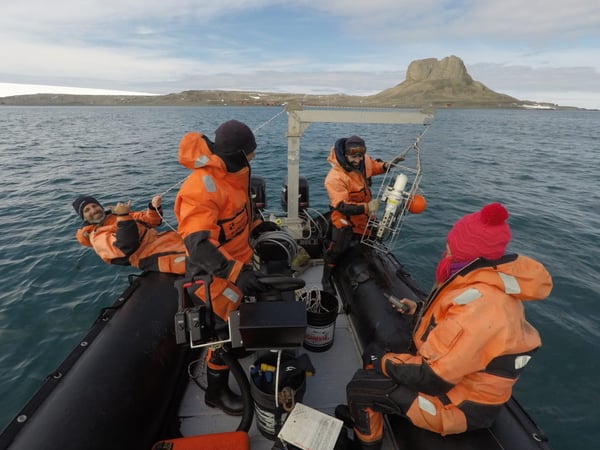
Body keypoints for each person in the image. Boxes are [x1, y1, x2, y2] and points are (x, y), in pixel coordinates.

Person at [336, 202, 553, 449]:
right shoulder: (478, 281)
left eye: (451, 244)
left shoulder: (481, 305)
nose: (446, 247)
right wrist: (417, 310)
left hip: (460, 404)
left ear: (466, 250)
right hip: (460, 379)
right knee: (375, 354)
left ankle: (366, 441)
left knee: (361, 387)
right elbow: (452, 328)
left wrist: (382, 360)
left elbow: (432, 379)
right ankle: (364, 416)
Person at [174, 119, 274, 416]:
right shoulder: (200, 188)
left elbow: (236, 215)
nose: (254, 158)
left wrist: (257, 225)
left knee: (236, 319)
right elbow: (198, 244)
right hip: (213, 276)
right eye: (251, 152)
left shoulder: (233, 175)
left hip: (236, 264)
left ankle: (237, 343)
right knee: (220, 335)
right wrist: (236, 274)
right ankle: (215, 392)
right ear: (238, 154)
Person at [322, 135, 402, 293]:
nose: (357, 160)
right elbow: (341, 206)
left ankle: (373, 271)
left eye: (360, 156)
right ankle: (326, 278)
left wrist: (387, 165)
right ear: (345, 155)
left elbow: (374, 166)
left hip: (364, 217)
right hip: (344, 218)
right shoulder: (335, 177)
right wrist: (367, 207)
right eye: (353, 156)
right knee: (337, 249)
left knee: (370, 243)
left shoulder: (363, 161)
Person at [73, 194, 186, 274]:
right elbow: (125, 247)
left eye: (94, 206)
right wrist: (123, 216)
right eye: (86, 210)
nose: (93, 210)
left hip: (167, 240)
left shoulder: (116, 215)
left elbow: (152, 221)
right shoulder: (97, 237)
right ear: (84, 218)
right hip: (154, 256)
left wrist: (153, 207)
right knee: (198, 261)